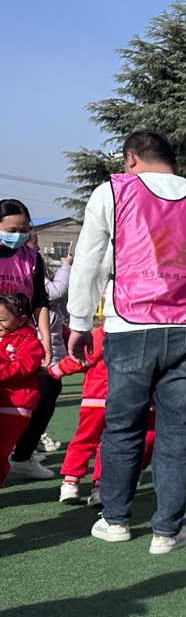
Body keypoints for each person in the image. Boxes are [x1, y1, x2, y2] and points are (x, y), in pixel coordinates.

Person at [67, 131, 186, 553]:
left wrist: (79, 321)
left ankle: (115, 520)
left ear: (131, 158)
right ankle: (167, 532)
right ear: (174, 162)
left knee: (122, 427)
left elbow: (90, 261)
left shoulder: (112, 192)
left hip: (130, 325)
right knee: (178, 432)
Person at [51, 322, 156, 504]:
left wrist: (55, 371)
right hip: (122, 398)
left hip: (101, 396)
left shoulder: (107, 329)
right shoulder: (150, 331)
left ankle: (73, 482)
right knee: (107, 442)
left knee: (87, 440)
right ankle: (92, 485)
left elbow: (84, 357)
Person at [0, 200, 57, 480]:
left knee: (47, 392)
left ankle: (22, 455)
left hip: (22, 339)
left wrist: (45, 340)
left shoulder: (31, 258)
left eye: (24, 230)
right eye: (11, 230)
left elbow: (40, 301)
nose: (19, 235)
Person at [0, 291, 46, 486]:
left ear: (21, 320)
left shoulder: (29, 342)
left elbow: (24, 366)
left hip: (15, 406)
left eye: (2, 320)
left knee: (1, 450)